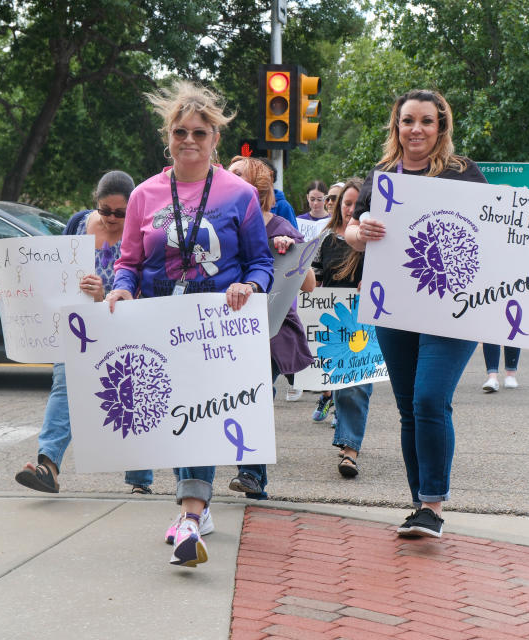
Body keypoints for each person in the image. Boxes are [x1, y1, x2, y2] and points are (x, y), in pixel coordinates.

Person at [347, 89, 529, 539]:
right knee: (409, 409)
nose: (416, 129)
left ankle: (432, 505)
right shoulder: (382, 176)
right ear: (396, 126)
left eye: (427, 121)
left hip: (456, 311)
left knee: (431, 398)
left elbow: (503, 234)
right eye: (408, 121)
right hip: (397, 308)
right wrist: (361, 230)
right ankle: (419, 505)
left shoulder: (462, 173)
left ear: (441, 127)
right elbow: (351, 229)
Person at [106, 80, 273, 567]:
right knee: (173, 413)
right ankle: (195, 505)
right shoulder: (144, 194)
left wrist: (251, 286)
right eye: (181, 131)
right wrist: (120, 286)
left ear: (214, 138)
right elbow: (129, 261)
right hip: (160, 313)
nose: (190, 141)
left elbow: (260, 262)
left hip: (218, 316)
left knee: (199, 415)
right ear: (169, 135)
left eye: (200, 132)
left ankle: (190, 515)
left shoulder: (239, 194)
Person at [0, 171, 154, 495]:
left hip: (125, 325)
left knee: (131, 394)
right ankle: (47, 466)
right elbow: (51, 273)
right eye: (105, 210)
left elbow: (148, 288)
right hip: (79, 327)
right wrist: (10, 288)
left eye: (120, 213)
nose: (110, 218)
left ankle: (139, 480)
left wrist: (104, 292)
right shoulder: (78, 222)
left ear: (133, 208)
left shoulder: (143, 233)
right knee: (64, 386)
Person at [227, 155, 315, 498]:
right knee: (243, 398)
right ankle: (255, 482)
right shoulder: (224, 227)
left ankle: (250, 474)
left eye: (237, 177)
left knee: (253, 394)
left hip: (272, 333)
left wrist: (290, 252)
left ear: (256, 191)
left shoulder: (279, 227)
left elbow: (308, 284)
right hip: (230, 331)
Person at [311, 177, 374, 478]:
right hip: (332, 321)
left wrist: (373, 280)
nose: (350, 209)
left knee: (356, 386)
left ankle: (349, 450)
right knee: (340, 386)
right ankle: (344, 427)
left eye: (355, 204)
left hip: (363, 321)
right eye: (346, 203)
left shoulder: (373, 241)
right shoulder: (325, 240)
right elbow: (314, 279)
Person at [258, 156, 298, 229]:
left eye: (261, 176)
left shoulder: (283, 206)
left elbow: (295, 237)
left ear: (271, 178)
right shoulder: (248, 204)